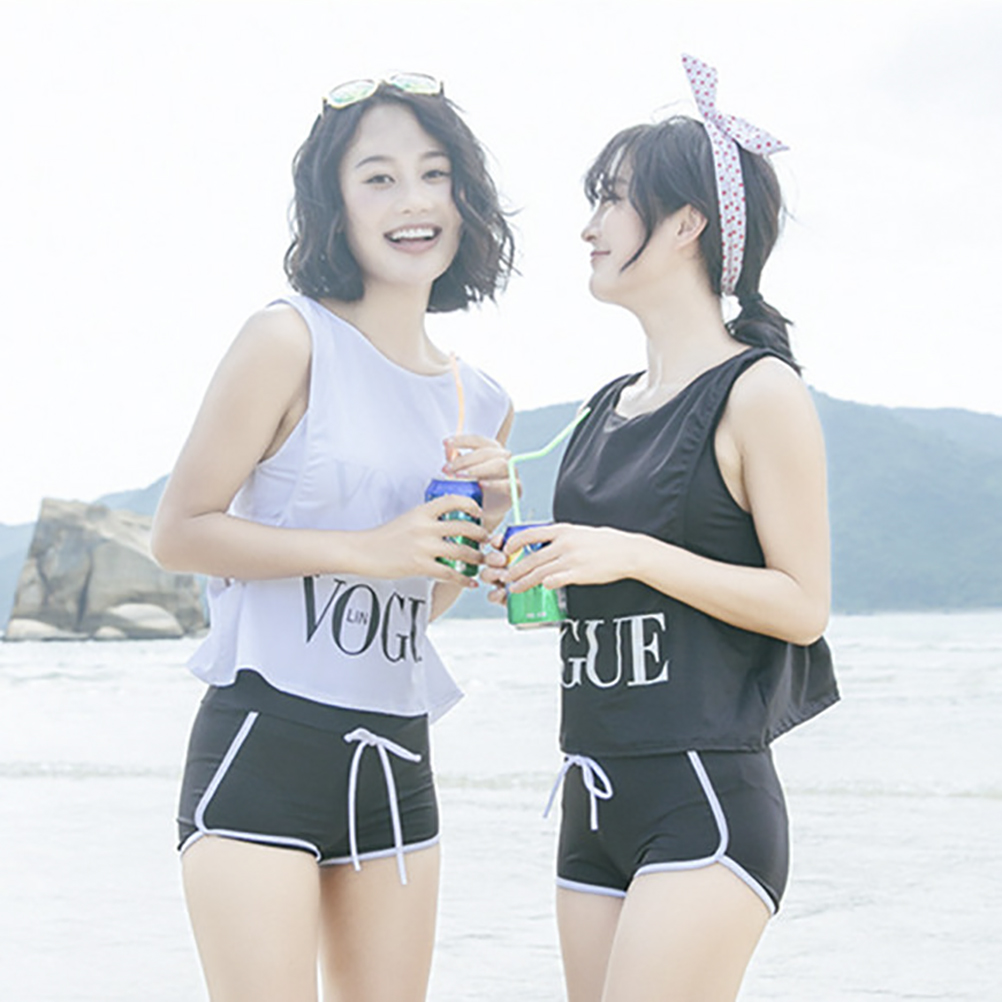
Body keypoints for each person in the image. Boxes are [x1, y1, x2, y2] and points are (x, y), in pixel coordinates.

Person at [151, 73, 516, 1002]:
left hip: (397, 759)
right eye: (379, 178)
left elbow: (420, 603)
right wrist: (366, 548)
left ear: (464, 198)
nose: (413, 201)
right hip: (266, 739)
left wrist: (485, 529)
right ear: (335, 204)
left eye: (434, 174)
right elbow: (180, 533)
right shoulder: (288, 339)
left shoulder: (482, 399)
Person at [484, 55, 839, 1002]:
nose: (589, 226)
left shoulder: (759, 391)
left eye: (611, 200)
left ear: (686, 224)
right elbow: (606, 588)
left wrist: (632, 552)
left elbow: (804, 605)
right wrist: (522, 559)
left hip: (705, 797)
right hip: (591, 793)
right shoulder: (605, 407)